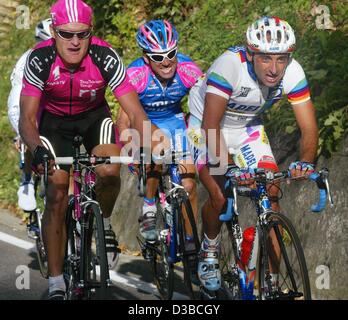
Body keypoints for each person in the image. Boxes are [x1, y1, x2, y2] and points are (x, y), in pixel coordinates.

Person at [19, 0, 159, 300]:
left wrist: (147, 142)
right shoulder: (39, 59)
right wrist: (36, 149)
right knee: (57, 190)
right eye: (66, 34)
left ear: (90, 32)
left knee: (109, 170)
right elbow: (27, 119)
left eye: (82, 34)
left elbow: (135, 112)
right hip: (53, 124)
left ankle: (104, 223)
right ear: (54, 32)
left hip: (94, 119)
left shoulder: (104, 55)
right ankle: (56, 281)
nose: (74, 41)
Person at [187, 16, 318, 291]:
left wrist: (306, 163)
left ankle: (269, 280)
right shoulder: (229, 65)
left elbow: (308, 127)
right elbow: (211, 125)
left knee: (271, 193)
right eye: (266, 59)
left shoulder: (293, 72)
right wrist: (229, 168)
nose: (274, 69)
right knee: (220, 194)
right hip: (207, 125)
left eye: (281, 59)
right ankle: (209, 249)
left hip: (247, 128)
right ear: (251, 54)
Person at [117, 20, 203, 245]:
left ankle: (190, 242)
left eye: (171, 53)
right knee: (155, 150)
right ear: (146, 58)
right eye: (157, 57)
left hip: (174, 121)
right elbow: (124, 122)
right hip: (142, 121)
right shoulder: (136, 75)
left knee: (189, 185)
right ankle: (148, 207)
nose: (166, 62)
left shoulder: (188, 70)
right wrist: (130, 150)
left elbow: (205, 108)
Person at [7, 18, 52, 213]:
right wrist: (21, 133)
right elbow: (17, 104)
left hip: (54, 111)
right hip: (29, 107)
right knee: (27, 135)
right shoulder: (27, 61)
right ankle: (26, 181)